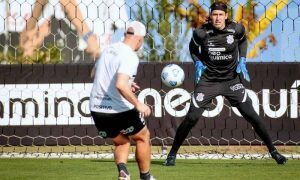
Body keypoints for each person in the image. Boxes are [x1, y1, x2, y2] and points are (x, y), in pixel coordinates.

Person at [164, 2, 287, 166]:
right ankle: (172, 155)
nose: (217, 18)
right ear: (210, 16)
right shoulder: (201, 33)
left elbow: (243, 42)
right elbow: (193, 48)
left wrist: (242, 59)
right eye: (214, 14)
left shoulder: (236, 29)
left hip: (231, 81)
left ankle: (274, 152)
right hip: (208, 81)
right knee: (192, 117)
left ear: (226, 16)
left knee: (252, 115)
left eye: (220, 15)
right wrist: (198, 63)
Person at [89, 21, 156, 180]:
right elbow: (120, 84)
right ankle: (146, 177)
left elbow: (94, 74)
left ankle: (123, 171)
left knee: (122, 142)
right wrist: (138, 104)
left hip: (97, 109)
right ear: (139, 39)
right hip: (119, 109)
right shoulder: (130, 56)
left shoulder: (108, 49)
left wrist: (127, 84)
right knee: (142, 137)